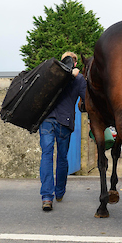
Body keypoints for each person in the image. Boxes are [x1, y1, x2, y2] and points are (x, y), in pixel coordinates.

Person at [39, 52, 86, 211]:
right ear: (75, 62)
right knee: (62, 158)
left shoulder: (53, 73)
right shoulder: (79, 79)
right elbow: (86, 100)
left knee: (46, 155)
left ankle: (47, 197)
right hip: (65, 122)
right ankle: (59, 192)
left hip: (47, 119)